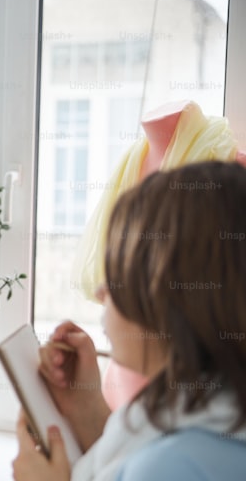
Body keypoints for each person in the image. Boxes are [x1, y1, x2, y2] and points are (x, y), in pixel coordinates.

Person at [14, 161, 246, 481]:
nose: (101, 292)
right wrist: (88, 408)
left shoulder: (170, 480)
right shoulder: (219, 425)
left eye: (116, 276)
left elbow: (161, 476)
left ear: (164, 297)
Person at [73, 100, 246, 410]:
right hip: (127, 368)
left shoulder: (234, 177)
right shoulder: (128, 167)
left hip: (195, 381)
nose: (103, 290)